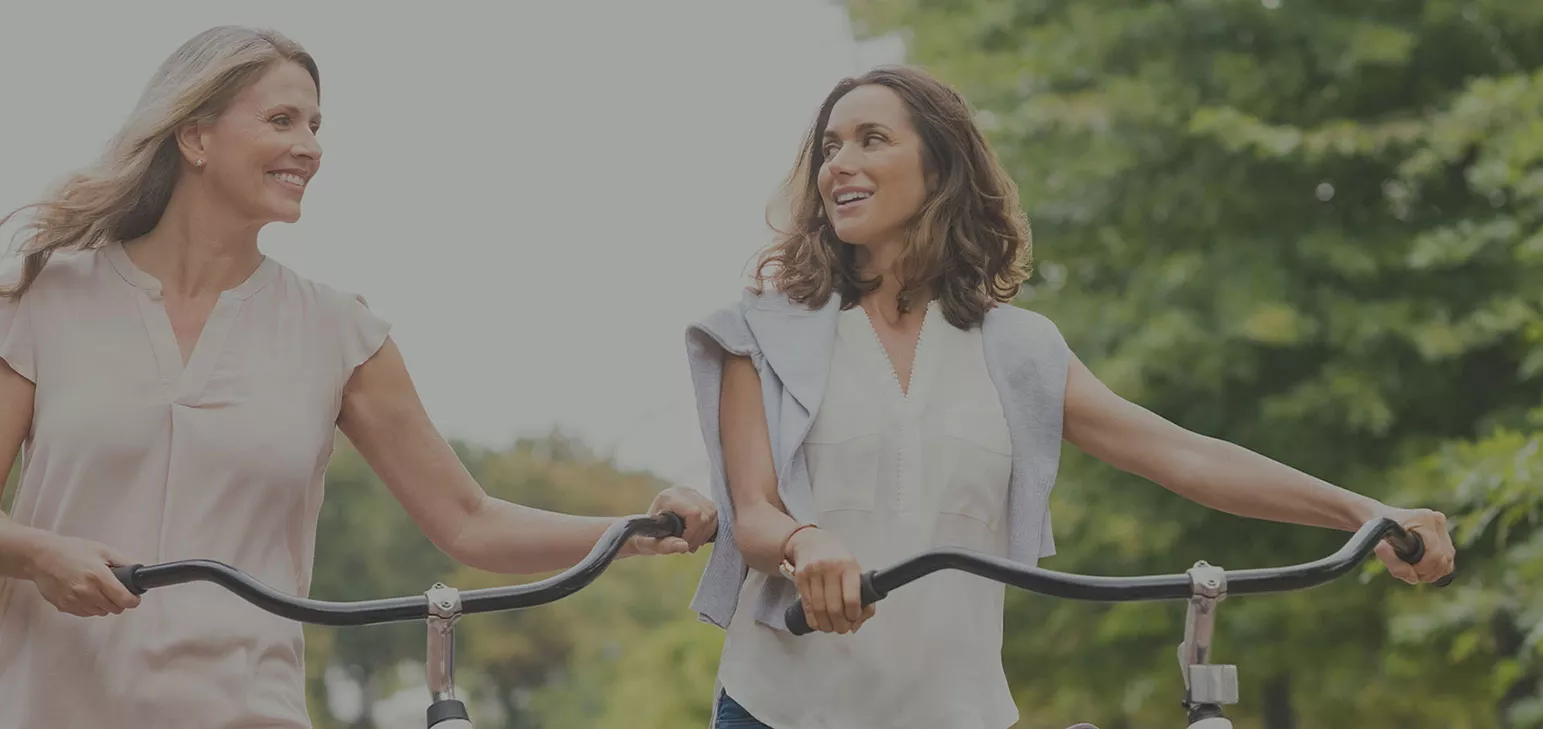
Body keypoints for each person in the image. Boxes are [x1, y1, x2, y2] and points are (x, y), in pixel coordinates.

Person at [683, 65, 1456, 729]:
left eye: (870, 140)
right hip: (782, 707)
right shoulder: (765, 331)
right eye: (829, 147)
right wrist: (804, 541)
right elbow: (753, 511)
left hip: (962, 711)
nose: (837, 164)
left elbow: (1180, 454)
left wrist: (1363, 511)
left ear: (941, 167)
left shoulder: (1016, 349)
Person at [0, 26, 716, 729]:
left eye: (315, 124)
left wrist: (627, 531)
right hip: (48, 705)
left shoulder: (337, 332)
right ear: (195, 138)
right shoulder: (42, 299)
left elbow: (468, 519)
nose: (309, 146)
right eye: (281, 120)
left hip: (246, 710)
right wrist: (38, 553)